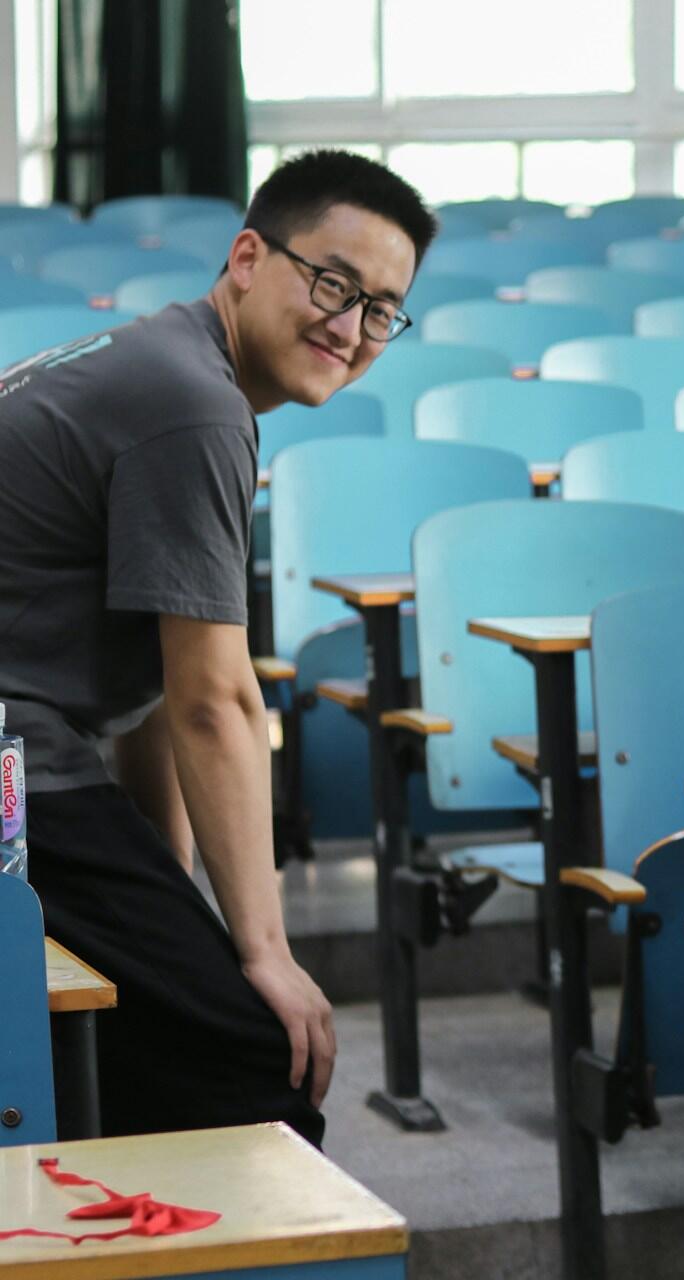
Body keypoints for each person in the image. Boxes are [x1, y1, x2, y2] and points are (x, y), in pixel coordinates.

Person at [0, 150, 436, 1146]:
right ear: (248, 256)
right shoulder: (192, 402)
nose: (351, 325)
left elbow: (151, 696)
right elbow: (214, 702)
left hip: (32, 747)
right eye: (332, 282)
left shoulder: (166, 362)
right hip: (11, 758)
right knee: (254, 1049)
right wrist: (265, 951)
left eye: (381, 309)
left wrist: (180, 895)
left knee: (175, 1015)